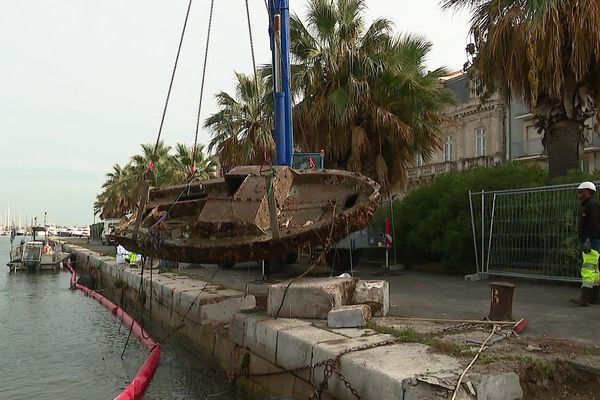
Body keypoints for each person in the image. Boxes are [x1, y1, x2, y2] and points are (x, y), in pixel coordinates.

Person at [571, 181, 600, 306]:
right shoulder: (592, 204)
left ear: (588, 191)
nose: (579, 194)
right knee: (595, 269)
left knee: (588, 269)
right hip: (595, 241)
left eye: (580, 192)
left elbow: (593, 224)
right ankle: (594, 297)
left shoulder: (591, 205)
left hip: (592, 242)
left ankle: (585, 298)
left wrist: (588, 239)